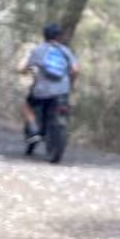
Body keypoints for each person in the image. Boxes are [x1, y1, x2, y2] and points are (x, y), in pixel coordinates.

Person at [20, 22, 77, 154]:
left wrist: (24, 71)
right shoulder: (65, 51)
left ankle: (33, 128)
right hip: (62, 90)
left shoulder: (38, 50)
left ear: (44, 35)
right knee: (63, 109)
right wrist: (71, 84)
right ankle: (58, 137)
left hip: (41, 91)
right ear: (59, 36)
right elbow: (75, 69)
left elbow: (24, 68)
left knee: (26, 106)